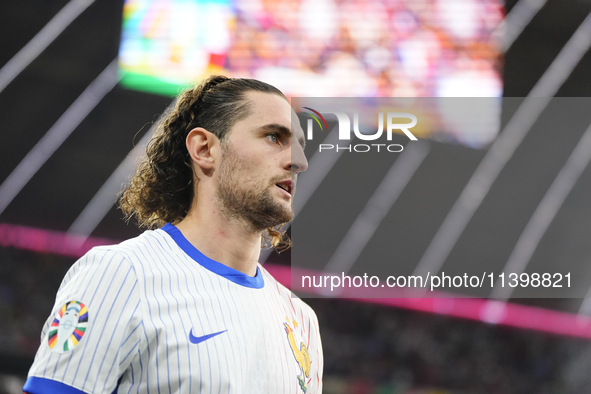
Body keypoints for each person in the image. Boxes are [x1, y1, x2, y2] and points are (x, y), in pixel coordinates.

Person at [23, 75, 323, 393]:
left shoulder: (301, 320)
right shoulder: (122, 274)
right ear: (205, 149)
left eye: (299, 146)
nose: (299, 162)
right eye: (275, 137)